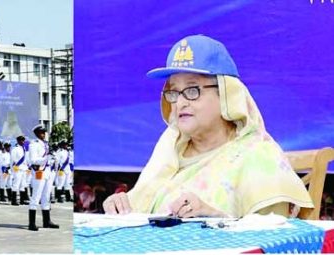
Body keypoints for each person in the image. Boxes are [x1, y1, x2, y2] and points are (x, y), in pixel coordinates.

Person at [102, 35, 312, 218]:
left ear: (227, 95)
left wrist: (216, 218)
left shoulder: (258, 156)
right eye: (174, 92)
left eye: (192, 90)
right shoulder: (169, 148)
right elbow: (140, 213)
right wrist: (121, 205)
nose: (180, 102)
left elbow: (274, 238)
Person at [27, 125, 58, 231]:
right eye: (41, 133)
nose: (43, 134)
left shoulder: (46, 144)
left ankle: (46, 221)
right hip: (39, 171)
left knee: (46, 196)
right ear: (36, 134)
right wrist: (46, 158)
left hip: (48, 172)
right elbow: (33, 160)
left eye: (44, 132)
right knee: (36, 197)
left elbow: (49, 159)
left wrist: (52, 158)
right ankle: (32, 223)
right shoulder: (33, 145)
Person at [9, 136, 29, 206]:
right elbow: (13, 159)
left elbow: (25, 159)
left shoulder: (23, 148)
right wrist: (13, 168)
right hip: (18, 169)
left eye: (23, 140)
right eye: (21, 140)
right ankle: (13, 201)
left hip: (23, 169)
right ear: (17, 141)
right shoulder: (15, 149)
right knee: (16, 184)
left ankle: (22, 200)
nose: (22, 141)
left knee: (23, 185)